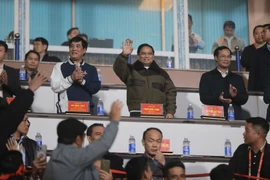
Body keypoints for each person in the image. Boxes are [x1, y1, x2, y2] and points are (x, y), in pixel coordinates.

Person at [43, 100, 123, 180]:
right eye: (83, 136)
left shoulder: (54, 155)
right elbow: (103, 144)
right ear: (78, 139)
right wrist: (114, 121)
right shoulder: (75, 156)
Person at [113, 39, 177, 118]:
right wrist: (124, 55)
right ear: (138, 56)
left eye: (149, 54)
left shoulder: (162, 73)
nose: (146, 56)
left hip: (158, 113)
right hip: (137, 113)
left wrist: (170, 112)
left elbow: (171, 92)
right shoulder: (130, 71)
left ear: (153, 56)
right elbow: (118, 68)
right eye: (143, 53)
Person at [0, 72, 48, 158]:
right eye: (23, 119)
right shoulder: (7, 139)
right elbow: (12, 113)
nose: (27, 123)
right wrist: (31, 89)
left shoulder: (31, 144)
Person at [50, 36, 101, 113]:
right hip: (65, 111)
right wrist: (71, 78)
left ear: (84, 50)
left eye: (77, 46)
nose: (74, 49)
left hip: (86, 111)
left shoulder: (91, 69)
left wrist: (82, 81)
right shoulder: (59, 66)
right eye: (71, 46)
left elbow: (95, 88)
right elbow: (55, 87)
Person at [199, 46, 248, 120]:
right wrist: (218, 99)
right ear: (216, 58)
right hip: (213, 116)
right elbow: (204, 98)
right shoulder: (207, 77)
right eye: (223, 56)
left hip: (234, 117)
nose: (226, 59)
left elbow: (244, 99)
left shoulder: (238, 78)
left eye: (228, 57)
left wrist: (235, 96)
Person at [248, 23, 270, 92]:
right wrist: (251, 92)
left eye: (264, 31)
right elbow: (253, 75)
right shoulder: (258, 52)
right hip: (262, 92)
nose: (261, 34)